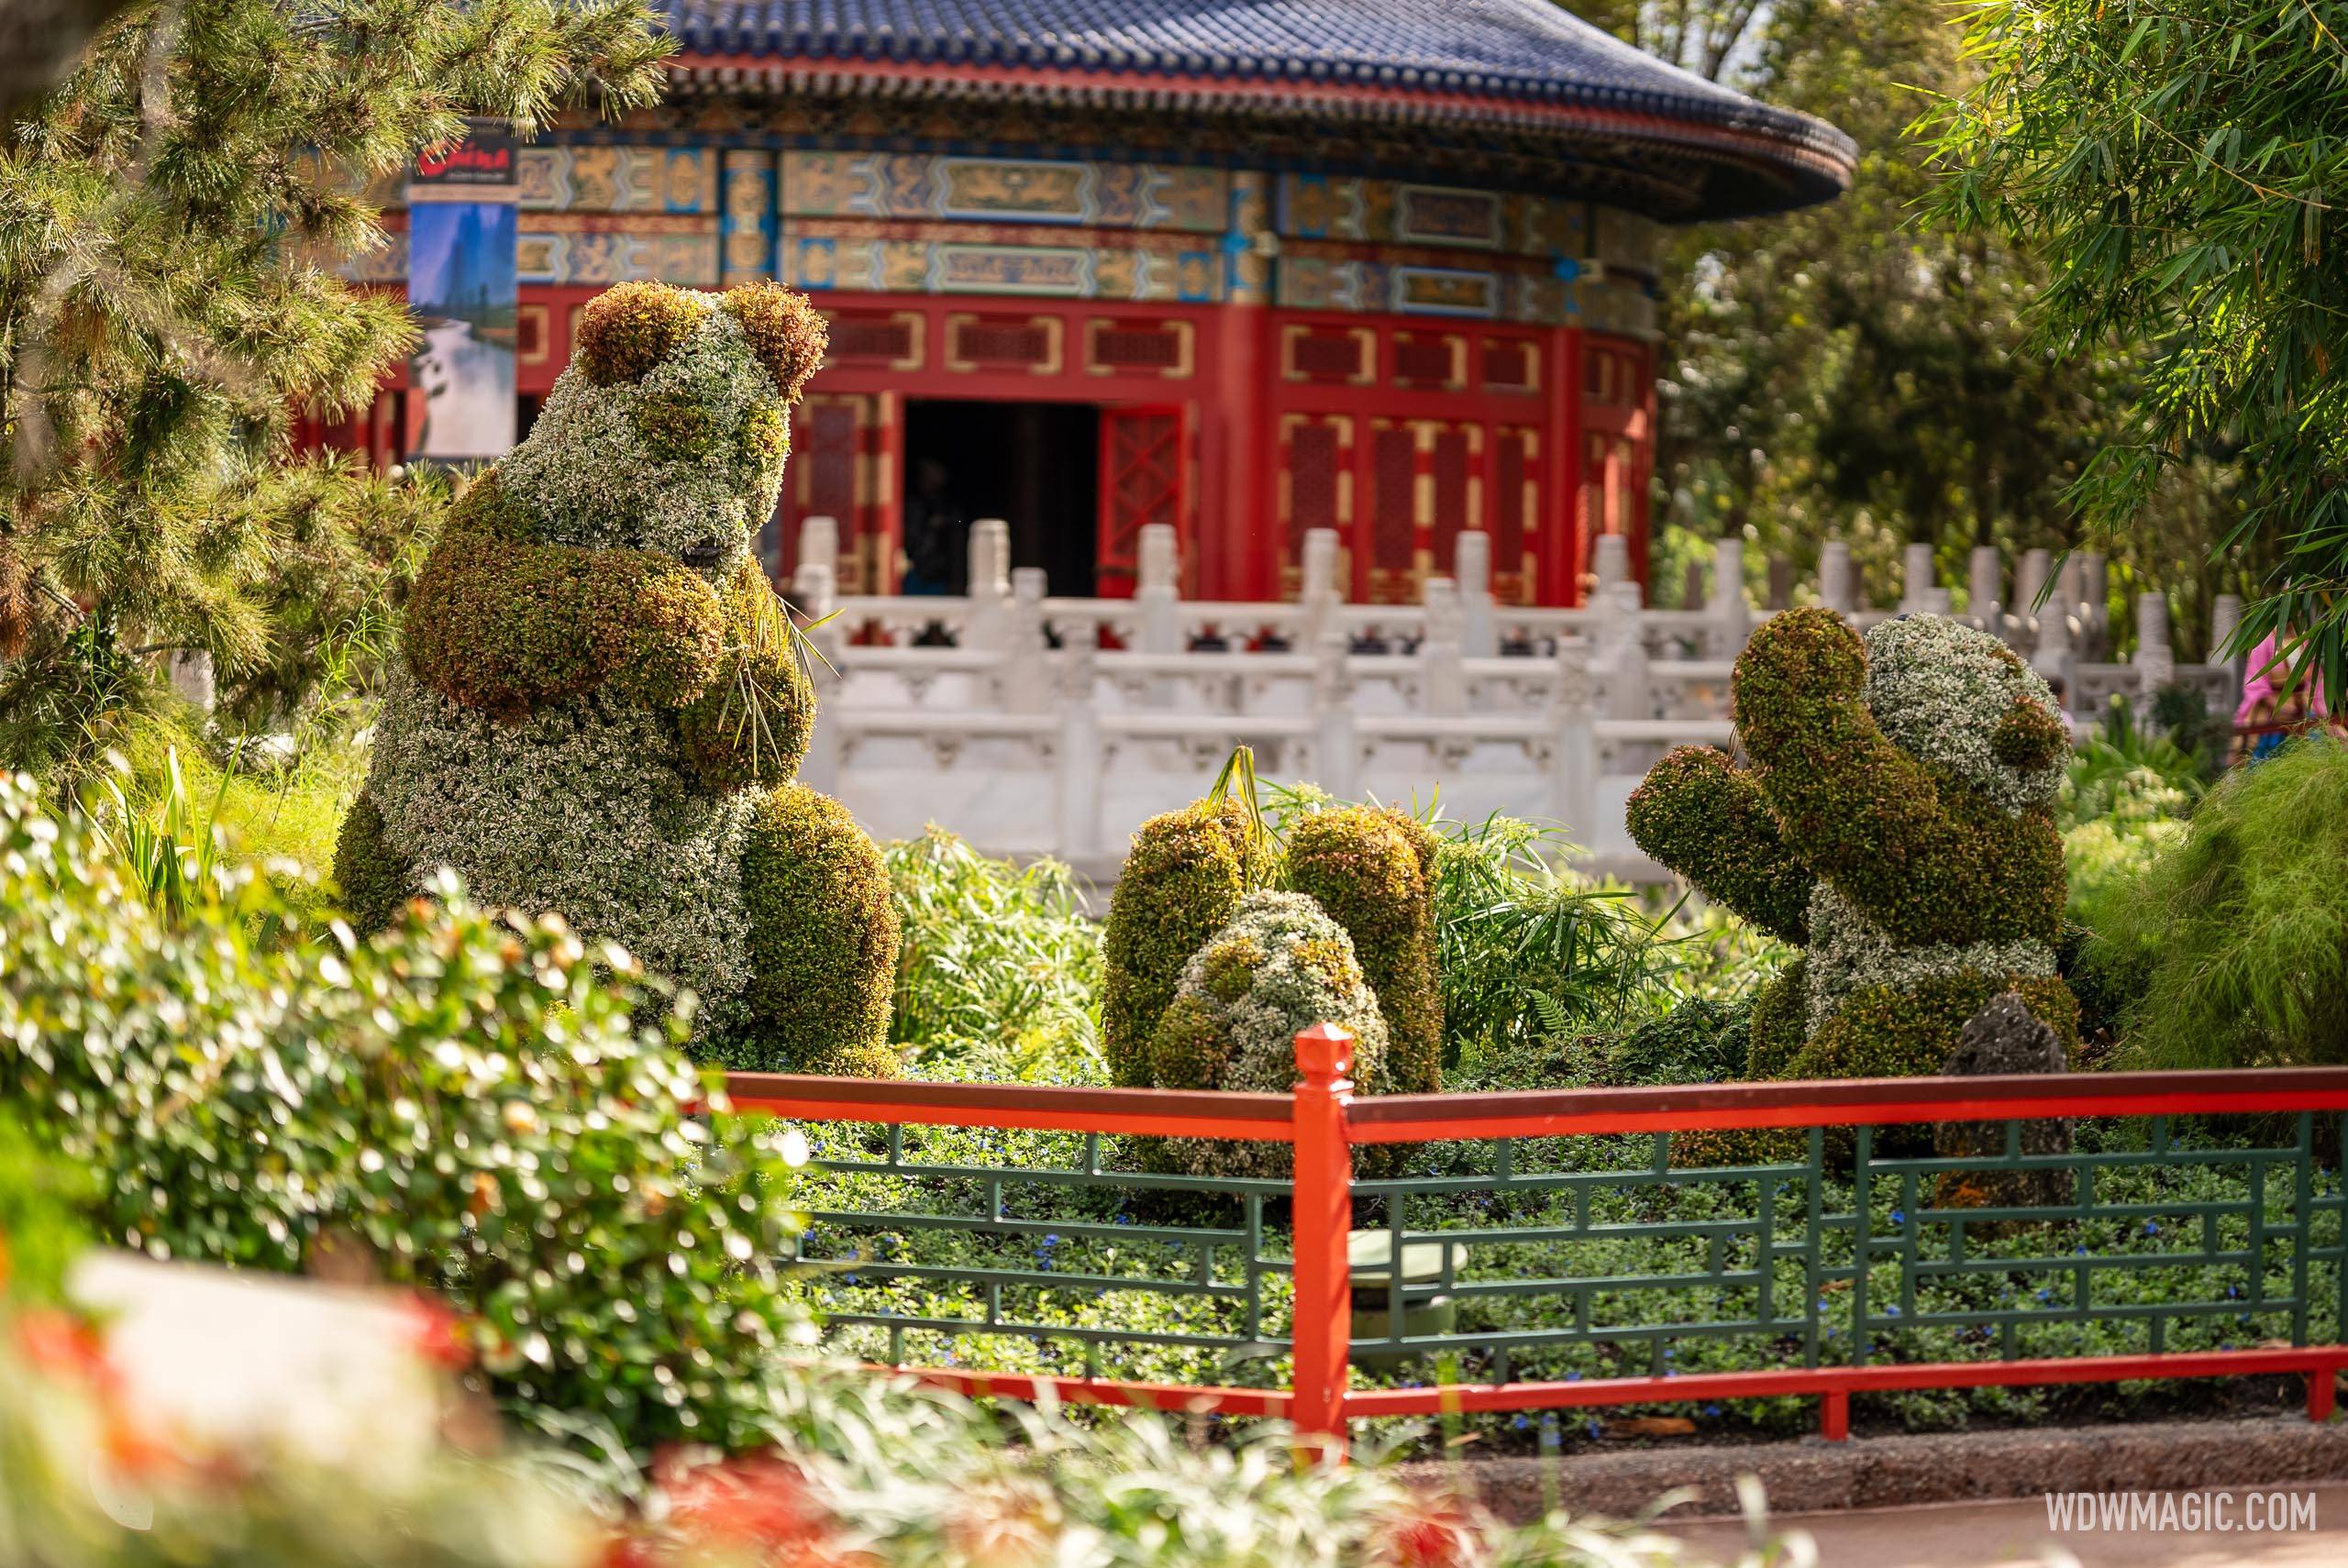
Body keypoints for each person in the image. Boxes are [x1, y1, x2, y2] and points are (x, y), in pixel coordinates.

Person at [2232, 628, 2334, 764]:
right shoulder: (2264, 639)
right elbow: (2256, 681)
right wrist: (2279, 704)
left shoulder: (2304, 637)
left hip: (2302, 709)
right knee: (2263, 759)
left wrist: (2310, 702)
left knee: (2319, 750)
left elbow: (2314, 678)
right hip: (2272, 712)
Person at [900, 457, 968, 598]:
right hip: (914, 571)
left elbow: (959, 534)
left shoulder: (950, 507)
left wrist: (945, 522)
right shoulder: (912, 505)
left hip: (939, 574)